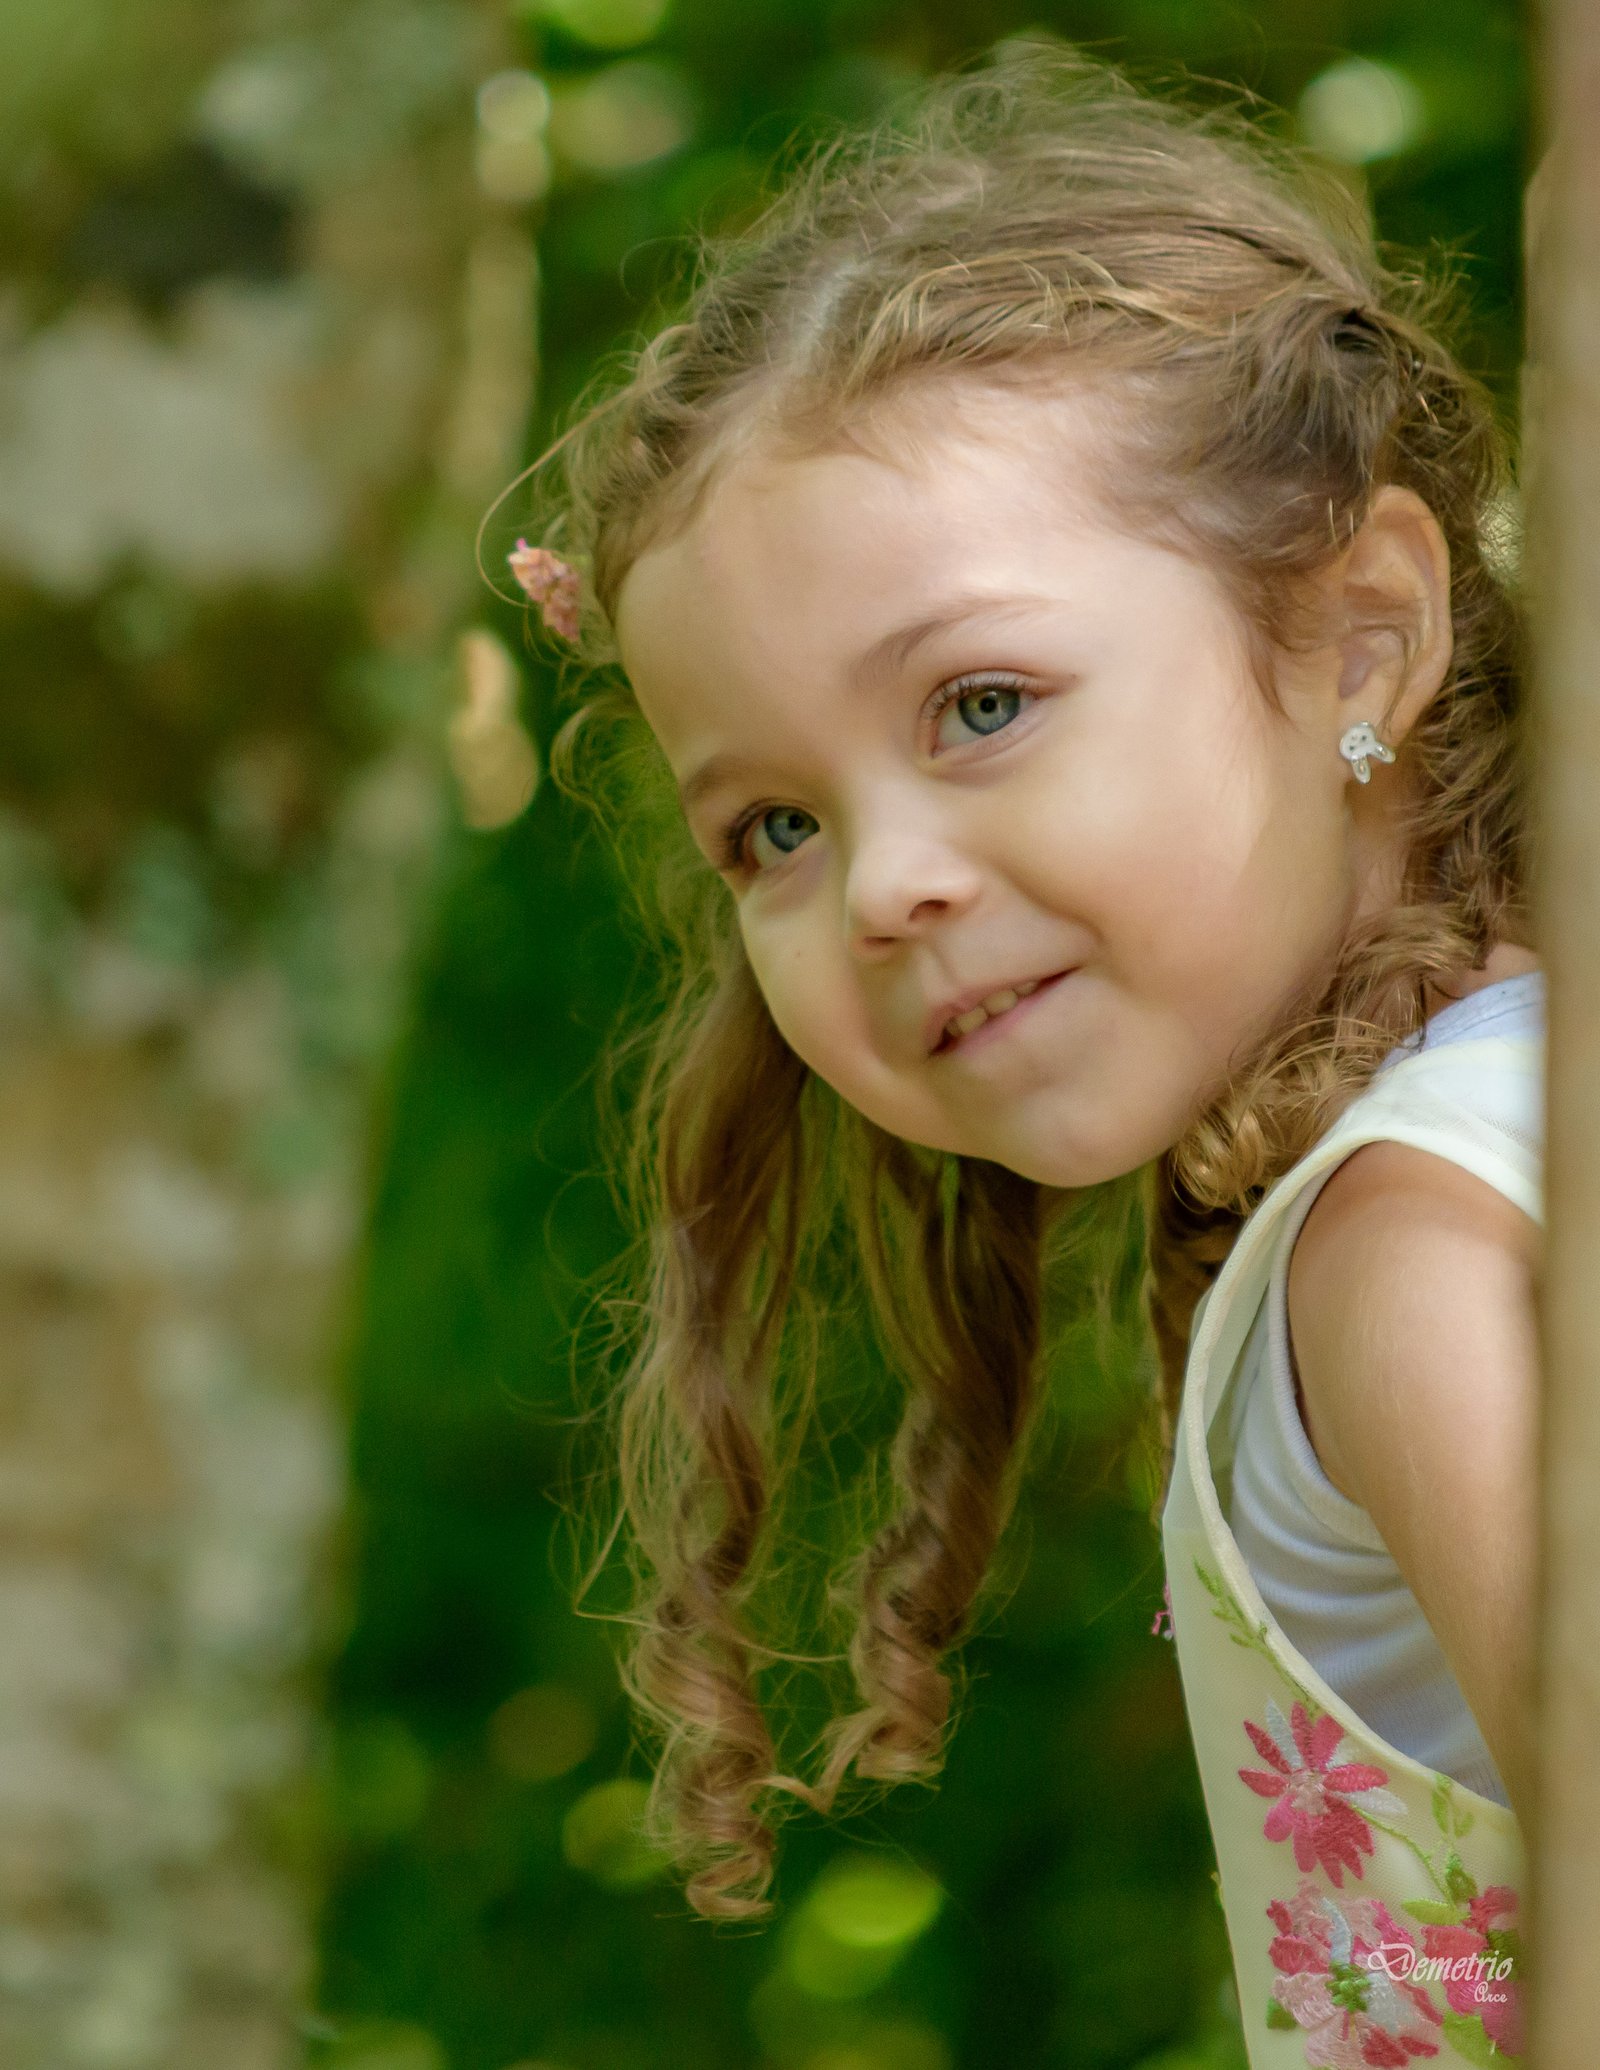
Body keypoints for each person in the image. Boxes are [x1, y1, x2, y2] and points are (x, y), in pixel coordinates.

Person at [501, 39, 1536, 2060]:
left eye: (978, 703)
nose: (879, 883)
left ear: (1358, 638)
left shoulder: (1409, 1251)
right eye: (771, 829)